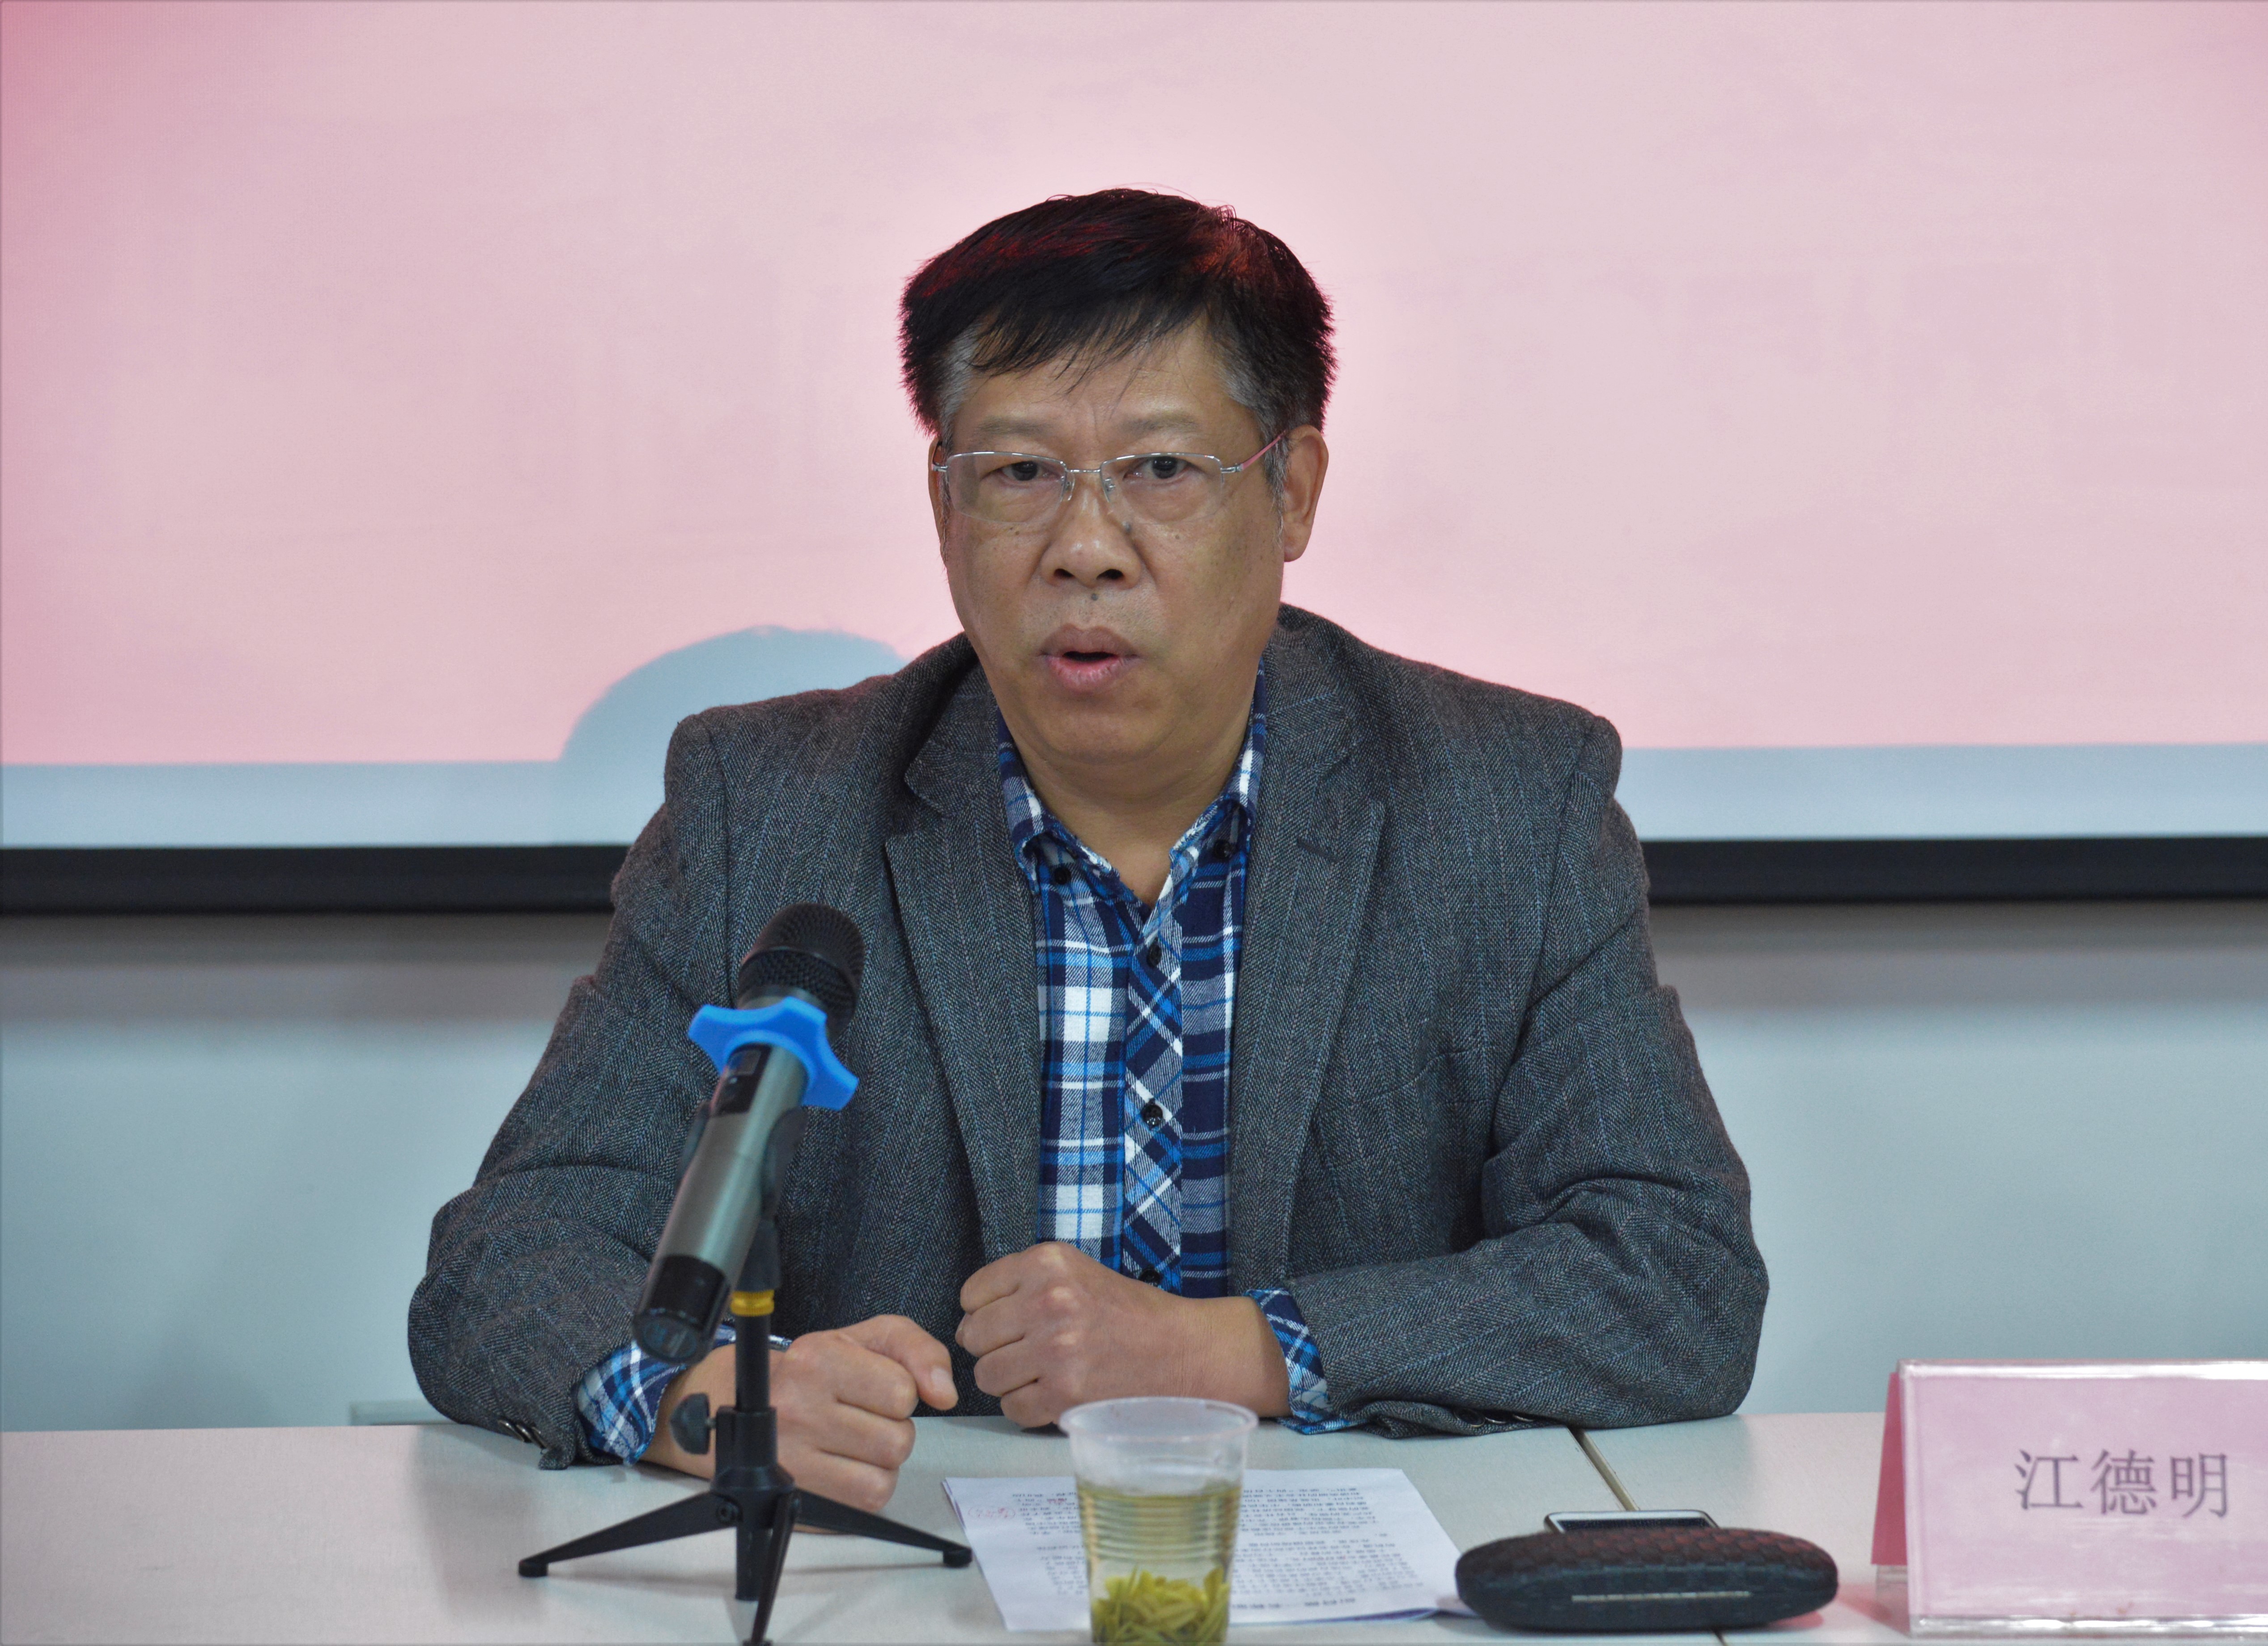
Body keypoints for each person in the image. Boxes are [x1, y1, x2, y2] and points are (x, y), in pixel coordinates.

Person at [410, 189, 1767, 1510]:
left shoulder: (1505, 801)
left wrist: (1225, 1353)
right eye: (1019, 474)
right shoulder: (764, 807)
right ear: (945, 509)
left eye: (1161, 471)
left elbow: (1674, 1280)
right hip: (902, 1577)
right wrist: (710, 1400)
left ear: (1292, 492)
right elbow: (510, 1258)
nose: (1086, 549)